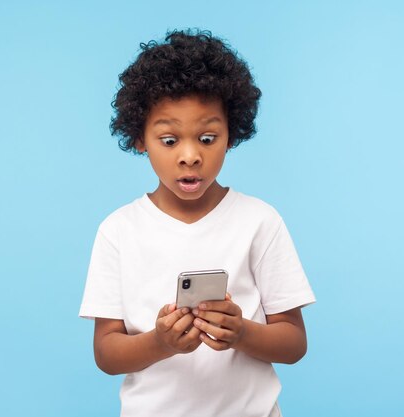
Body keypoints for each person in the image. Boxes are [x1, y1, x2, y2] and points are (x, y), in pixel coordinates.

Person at [79, 29, 316, 417]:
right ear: (140, 138)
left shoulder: (259, 221)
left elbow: (293, 343)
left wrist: (242, 333)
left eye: (207, 137)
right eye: (169, 140)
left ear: (231, 135)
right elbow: (106, 353)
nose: (190, 156)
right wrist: (161, 342)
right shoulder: (118, 231)